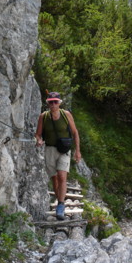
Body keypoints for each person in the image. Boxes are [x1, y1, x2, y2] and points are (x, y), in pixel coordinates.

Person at [35, 91, 81, 220]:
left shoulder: (66, 115)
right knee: (54, 178)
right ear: (48, 103)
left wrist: (77, 151)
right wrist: (38, 140)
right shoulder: (43, 117)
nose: (53, 104)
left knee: (62, 176)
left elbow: (75, 133)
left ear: (59, 103)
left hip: (64, 150)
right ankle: (59, 199)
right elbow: (38, 134)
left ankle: (61, 205)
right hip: (49, 149)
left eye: (56, 102)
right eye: (51, 102)